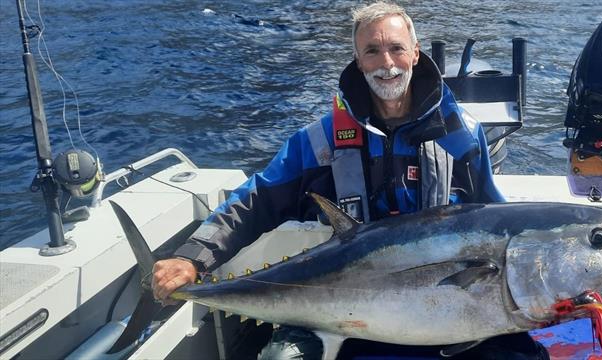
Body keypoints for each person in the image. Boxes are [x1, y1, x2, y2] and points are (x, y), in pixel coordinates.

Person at [152, 2, 546, 359]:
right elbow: (256, 200)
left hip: (444, 311)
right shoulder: (321, 142)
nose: (386, 63)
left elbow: (496, 220)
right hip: (341, 314)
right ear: (358, 62)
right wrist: (193, 257)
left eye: (395, 48)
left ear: (415, 52)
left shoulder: (462, 136)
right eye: (372, 51)